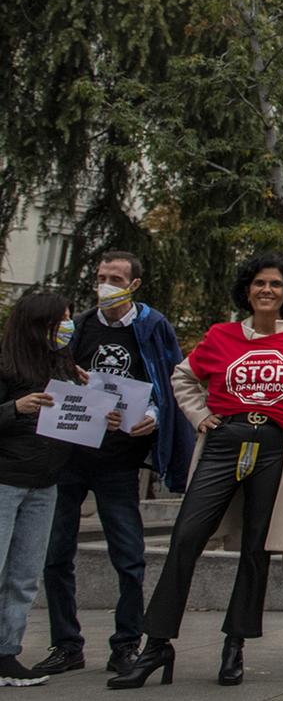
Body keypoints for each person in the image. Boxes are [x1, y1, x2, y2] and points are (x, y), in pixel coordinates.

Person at [111, 254, 283, 689]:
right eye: (258, 284)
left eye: (274, 284)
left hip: (275, 450)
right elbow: (182, 378)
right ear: (247, 291)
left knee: (256, 549)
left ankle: (235, 645)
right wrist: (198, 416)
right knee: (185, 539)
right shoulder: (221, 336)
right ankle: (156, 645)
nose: (266, 290)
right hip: (221, 445)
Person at [33, 252, 190, 679]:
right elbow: (56, 375)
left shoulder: (153, 326)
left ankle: (126, 645)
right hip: (71, 456)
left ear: (134, 284)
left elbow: (170, 382)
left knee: (128, 556)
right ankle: (66, 644)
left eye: (115, 278)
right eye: (101, 277)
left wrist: (151, 419)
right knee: (56, 555)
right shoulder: (80, 325)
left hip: (118, 460)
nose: (105, 284)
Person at [0, 293, 85, 687]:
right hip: (5, 480)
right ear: (38, 323)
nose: (67, 326)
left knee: (24, 574)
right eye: (60, 319)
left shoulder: (64, 365)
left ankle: (7, 651)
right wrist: (16, 408)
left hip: (45, 483)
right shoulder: (6, 362)